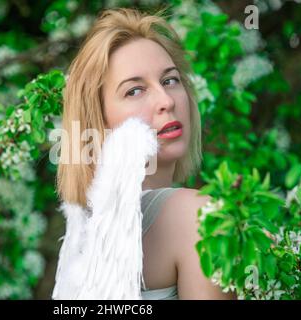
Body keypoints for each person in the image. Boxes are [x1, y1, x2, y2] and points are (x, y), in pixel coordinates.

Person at [56, 7, 236, 300]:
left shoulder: (83, 237)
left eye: (170, 80)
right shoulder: (197, 215)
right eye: (135, 91)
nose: (166, 101)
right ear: (98, 121)